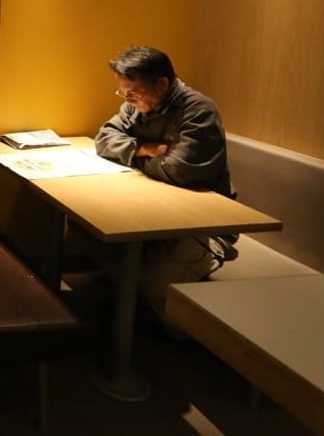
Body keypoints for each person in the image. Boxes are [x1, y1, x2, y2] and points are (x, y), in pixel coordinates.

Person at [95, 46, 238, 317]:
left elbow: (179, 171)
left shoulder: (198, 110)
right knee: (101, 254)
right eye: (123, 93)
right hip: (154, 212)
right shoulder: (134, 106)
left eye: (133, 93)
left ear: (162, 84)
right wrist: (144, 148)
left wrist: (129, 155)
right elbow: (103, 140)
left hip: (203, 224)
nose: (127, 99)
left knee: (154, 288)